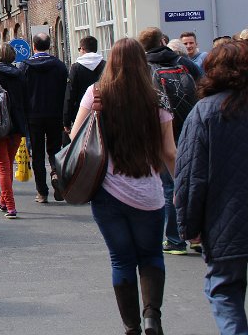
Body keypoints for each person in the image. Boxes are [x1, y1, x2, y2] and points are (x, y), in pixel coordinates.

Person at [70, 38, 176, 335]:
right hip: (149, 193)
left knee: (121, 260)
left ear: (111, 63)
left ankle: (131, 327)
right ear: (143, 64)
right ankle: (152, 317)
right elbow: (169, 151)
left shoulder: (96, 93)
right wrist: (180, 186)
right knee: (151, 256)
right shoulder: (157, 97)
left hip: (107, 192)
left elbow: (76, 137)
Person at [175, 41, 248, 335]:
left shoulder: (205, 112)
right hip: (227, 219)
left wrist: (188, 226)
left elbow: (191, 176)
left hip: (224, 220)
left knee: (224, 291)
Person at [138, 26, 199, 258]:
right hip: (190, 128)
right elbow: (202, 88)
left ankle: (174, 239)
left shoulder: (144, 67)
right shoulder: (184, 62)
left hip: (163, 131)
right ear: (162, 41)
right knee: (194, 181)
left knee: (170, 185)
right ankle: (196, 235)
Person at [0, 42, 29, 219]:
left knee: (2, 166)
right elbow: (25, 100)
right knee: (8, 163)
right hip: (16, 124)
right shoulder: (20, 73)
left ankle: (10, 206)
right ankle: (3, 201)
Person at [21, 33, 68, 203]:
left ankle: (42, 192)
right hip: (55, 114)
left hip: (33, 116)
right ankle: (55, 173)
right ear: (49, 45)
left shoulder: (25, 67)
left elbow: (21, 93)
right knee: (55, 149)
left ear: (33, 46)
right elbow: (65, 91)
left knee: (38, 154)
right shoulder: (60, 66)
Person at [63, 36, 107, 140]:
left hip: (81, 113)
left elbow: (70, 95)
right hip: (102, 111)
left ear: (82, 49)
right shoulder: (105, 65)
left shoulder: (76, 68)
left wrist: (66, 121)